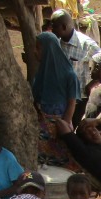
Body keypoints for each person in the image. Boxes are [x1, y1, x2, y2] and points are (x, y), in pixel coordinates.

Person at [33, 31, 81, 168]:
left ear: (49, 48)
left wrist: (63, 128)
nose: (35, 52)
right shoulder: (41, 75)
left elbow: (72, 103)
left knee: (63, 162)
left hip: (60, 126)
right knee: (43, 165)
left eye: (38, 48)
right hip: (42, 128)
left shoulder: (69, 75)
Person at [50, 9, 101, 127]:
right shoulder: (57, 43)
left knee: (72, 127)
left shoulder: (86, 44)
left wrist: (92, 84)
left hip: (79, 98)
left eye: (54, 27)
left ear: (64, 26)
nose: (52, 30)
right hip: (61, 96)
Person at [54, 117, 101, 189]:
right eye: (87, 132)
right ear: (83, 139)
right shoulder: (85, 152)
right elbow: (61, 123)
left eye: (94, 129)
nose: (93, 132)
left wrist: (98, 121)